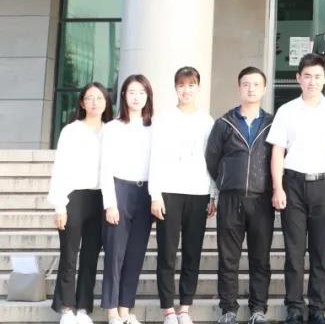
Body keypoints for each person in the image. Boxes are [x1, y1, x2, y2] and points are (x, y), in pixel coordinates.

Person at [269, 53, 325, 324]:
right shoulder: (286, 110)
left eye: (317, 77)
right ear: (298, 79)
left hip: (324, 185)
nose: (312, 82)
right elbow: (277, 152)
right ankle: (294, 306)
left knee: (320, 251)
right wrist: (278, 188)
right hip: (292, 184)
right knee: (293, 252)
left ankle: (317, 308)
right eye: (307, 76)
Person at [205, 66, 276, 324]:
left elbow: (279, 158)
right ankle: (228, 310)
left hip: (261, 200)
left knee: (260, 258)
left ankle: (258, 309)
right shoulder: (224, 123)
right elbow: (212, 158)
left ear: (264, 89)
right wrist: (226, 181)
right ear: (239, 88)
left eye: (256, 84)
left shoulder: (272, 123)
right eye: (246, 84)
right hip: (230, 199)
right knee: (228, 258)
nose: (251, 89)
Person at [149, 67, 217, 324]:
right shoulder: (164, 119)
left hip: (198, 193)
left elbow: (212, 160)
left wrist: (213, 195)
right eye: (181, 85)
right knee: (167, 253)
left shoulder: (207, 121)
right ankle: (168, 310)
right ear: (175, 88)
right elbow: (155, 157)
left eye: (191, 85)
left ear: (198, 87)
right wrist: (155, 195)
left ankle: (185, 307)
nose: (186, 90)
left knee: (192, 252)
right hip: (169, 192)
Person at [49, 83, 113, 324]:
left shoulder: (111, 131)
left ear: (106, 102)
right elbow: (60, 169)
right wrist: (59, 206)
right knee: (69, 254)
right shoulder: (71, 131)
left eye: (99, 98)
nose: (95, 102)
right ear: (82, 103)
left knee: (90, 255)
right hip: (73, 197)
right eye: (90, 98)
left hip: (100, 198)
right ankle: (67, 308)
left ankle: (83, 308)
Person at [100, 74, 155, 324]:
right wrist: (110, 203)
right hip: (119, 190)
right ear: (123, 95)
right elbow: (105, 167)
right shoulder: (112, 127)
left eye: (142, 93)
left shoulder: (154, 127)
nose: (136, 97)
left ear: (148, 97)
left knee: (135, 254)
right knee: (115, 254)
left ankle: (125, 309)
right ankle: (112, 310)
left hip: (145, 193)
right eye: (132, 92)